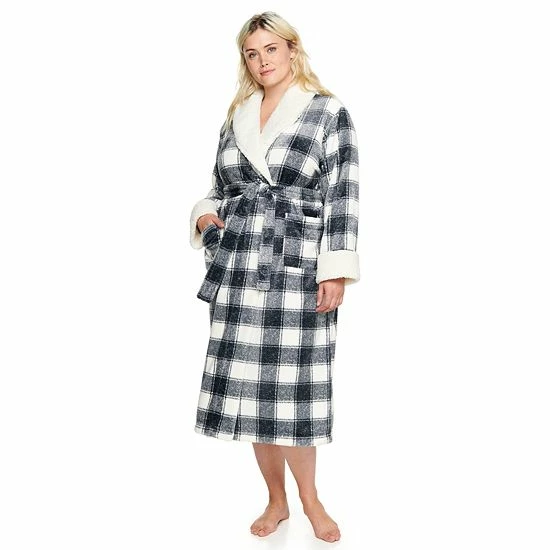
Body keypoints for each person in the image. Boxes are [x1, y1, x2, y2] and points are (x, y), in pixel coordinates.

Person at [189, 11, 360, 544]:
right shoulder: (236, 115)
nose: (261, 61)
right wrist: (205, 217)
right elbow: (218, 187)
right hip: (241, 266)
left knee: (294, 392)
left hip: (297, 266)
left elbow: (343, 193)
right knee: (252, 393)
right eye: (251, 53)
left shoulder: (327, 111)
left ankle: (310, 499)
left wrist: (335, 269)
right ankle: (276, 499)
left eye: (270, 49)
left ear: (291, 49)